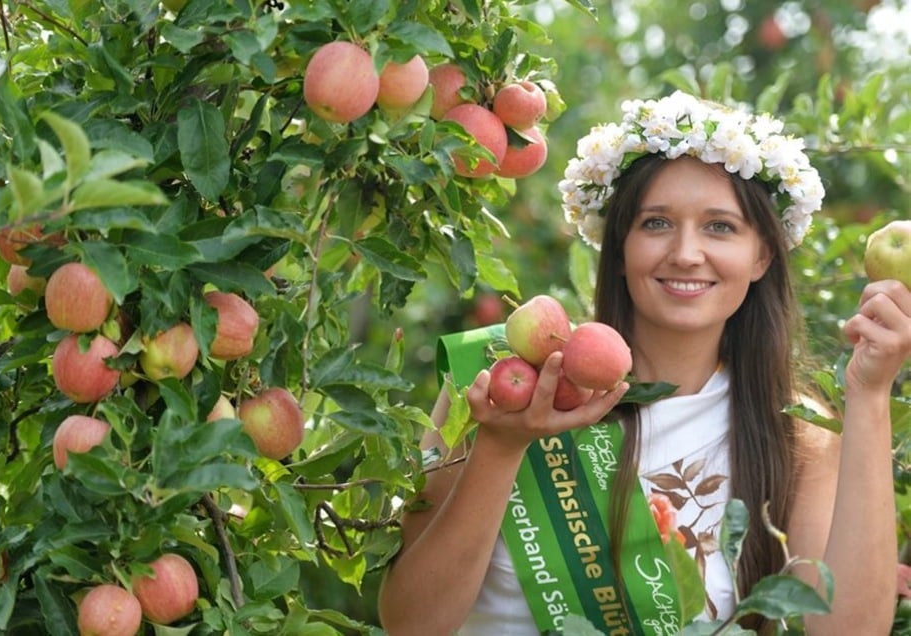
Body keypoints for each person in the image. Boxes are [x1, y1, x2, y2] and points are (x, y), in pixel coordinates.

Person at [377, 91, 911, 635]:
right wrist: (501, 446)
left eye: (720, 227)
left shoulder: (796, 432)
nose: (685, 252)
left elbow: (849, 631)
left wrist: (869, 393)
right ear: (620, 245)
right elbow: (410, 623)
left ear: (762, 256)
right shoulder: (501, 381)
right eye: (656, 223)